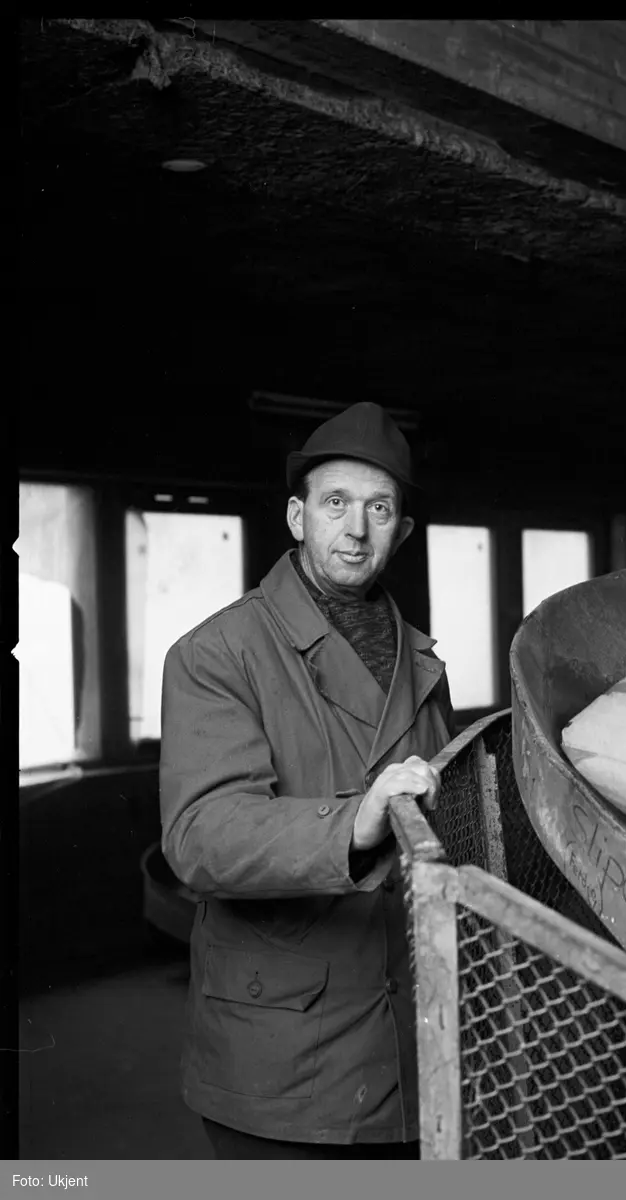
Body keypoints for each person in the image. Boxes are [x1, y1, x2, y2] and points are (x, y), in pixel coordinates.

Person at [159, 402, 456, 1159]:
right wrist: (354, 823)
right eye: (335, 503)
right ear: (296, 517)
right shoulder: (217, 653)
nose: (356, 529)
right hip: (286, 1057)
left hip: (419, 1045)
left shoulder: (423, 664)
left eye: (379, 509)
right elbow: (199, 837)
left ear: (403, 532)